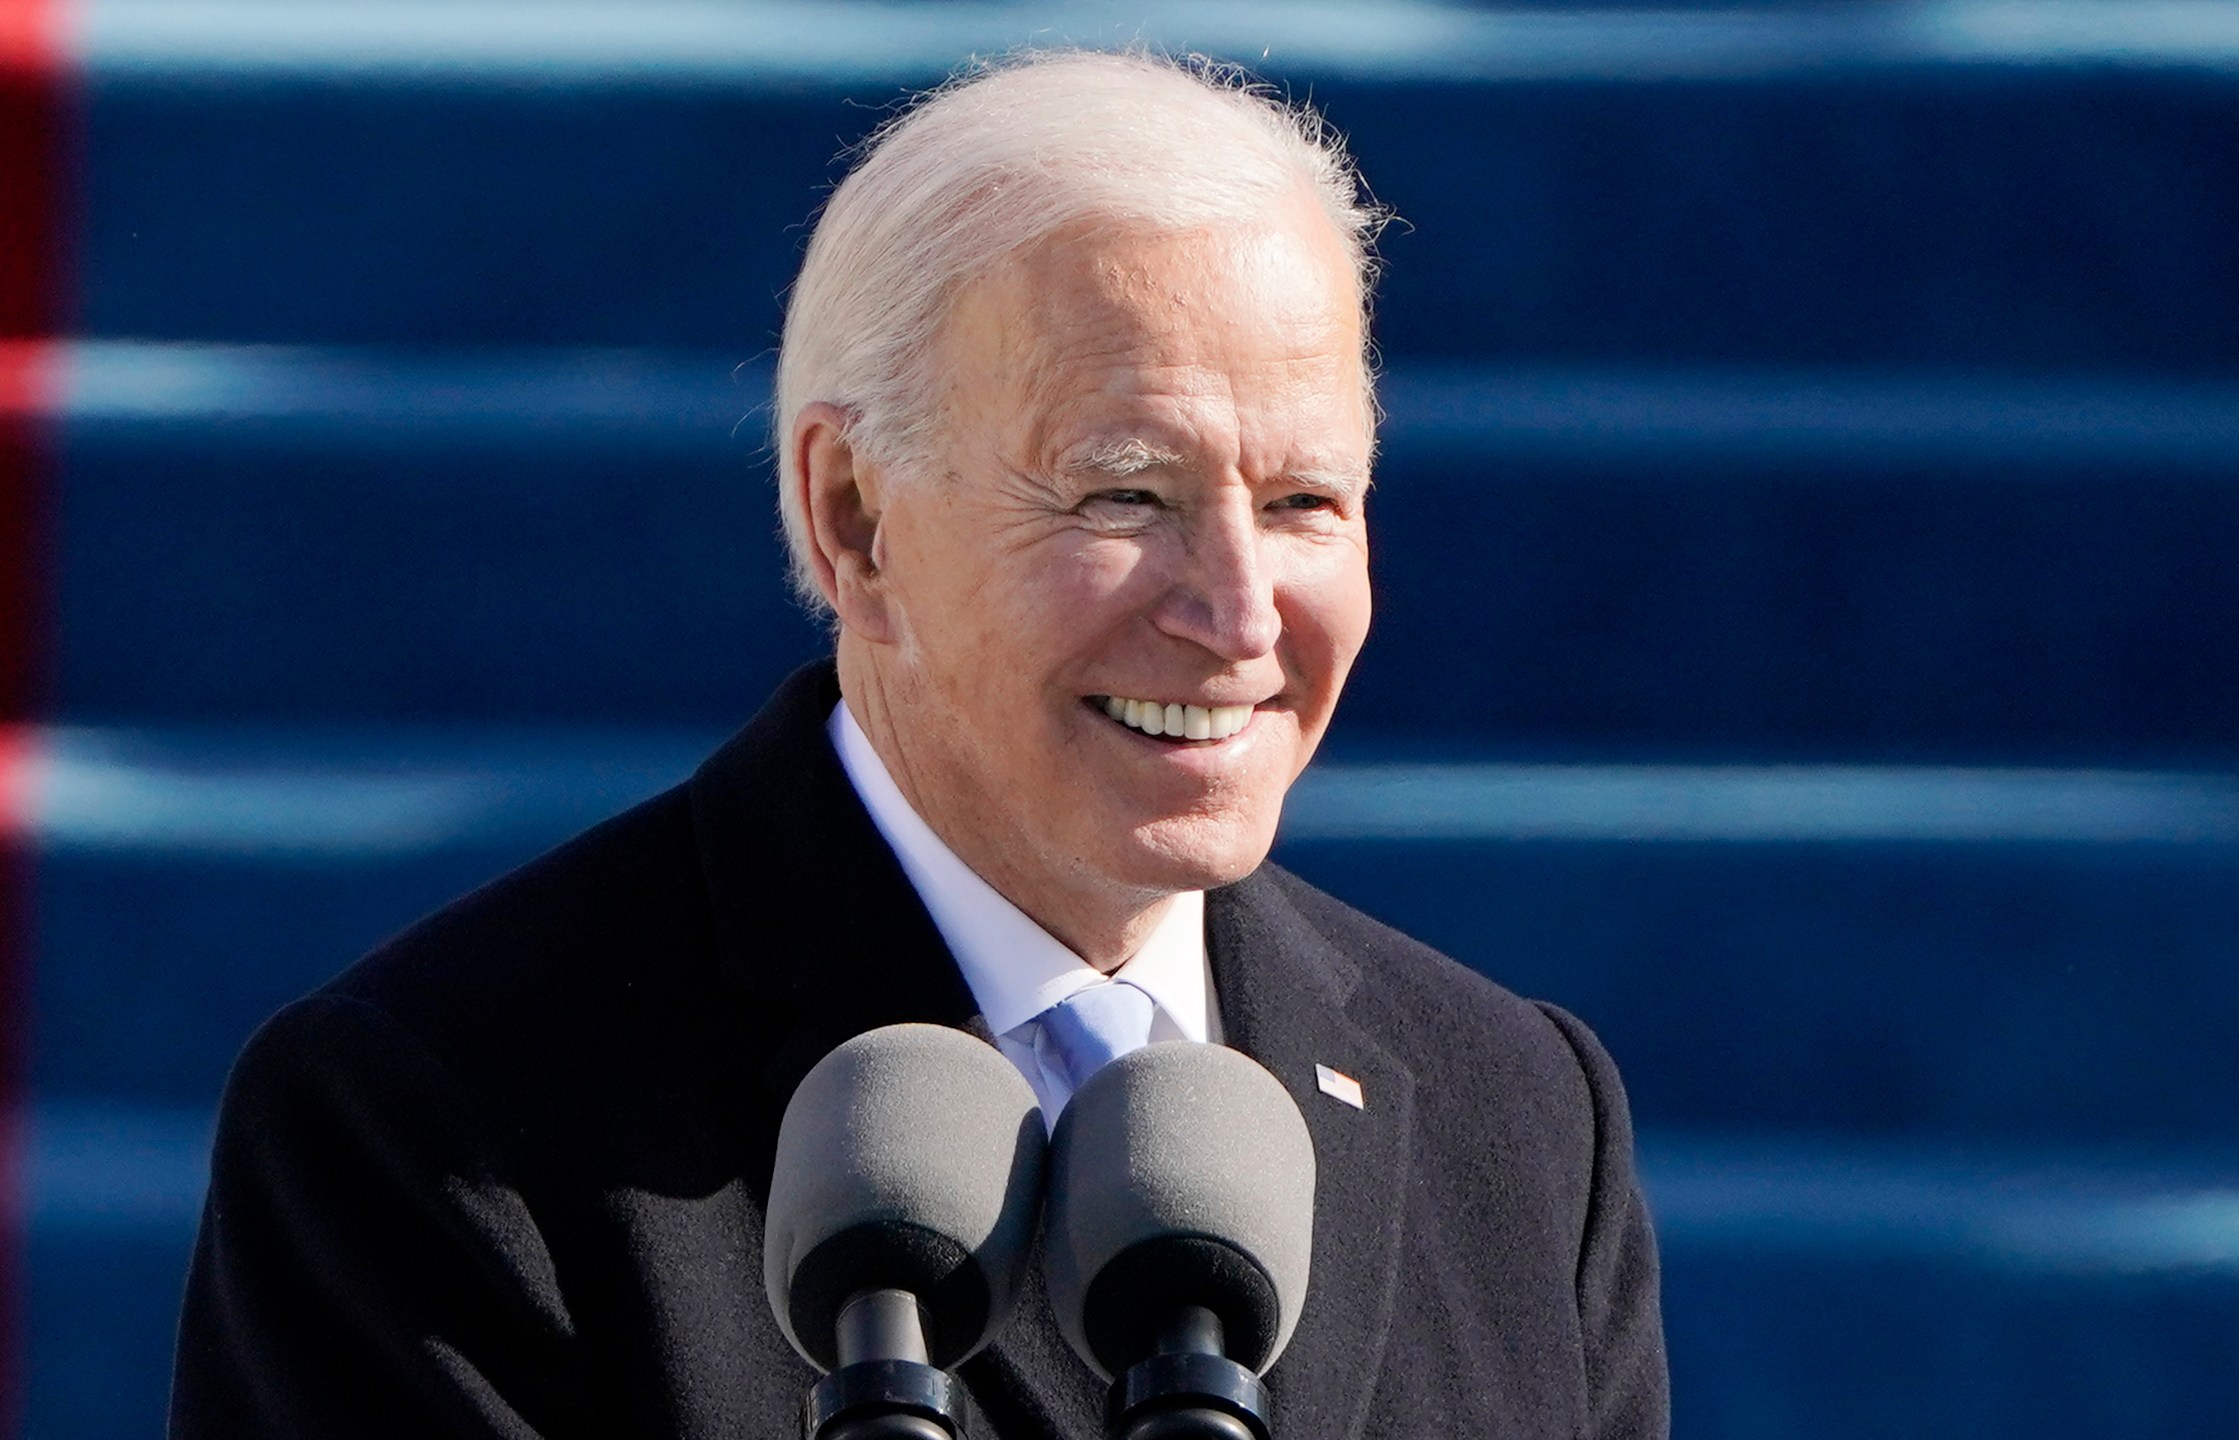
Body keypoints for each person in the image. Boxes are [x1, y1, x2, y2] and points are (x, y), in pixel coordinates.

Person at [170, 50, 1667, 1439]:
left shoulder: (1520, 1120)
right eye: (1124, 495)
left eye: (1303, 504)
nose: (1234, 612)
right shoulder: (433, 1124)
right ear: (856, 520)